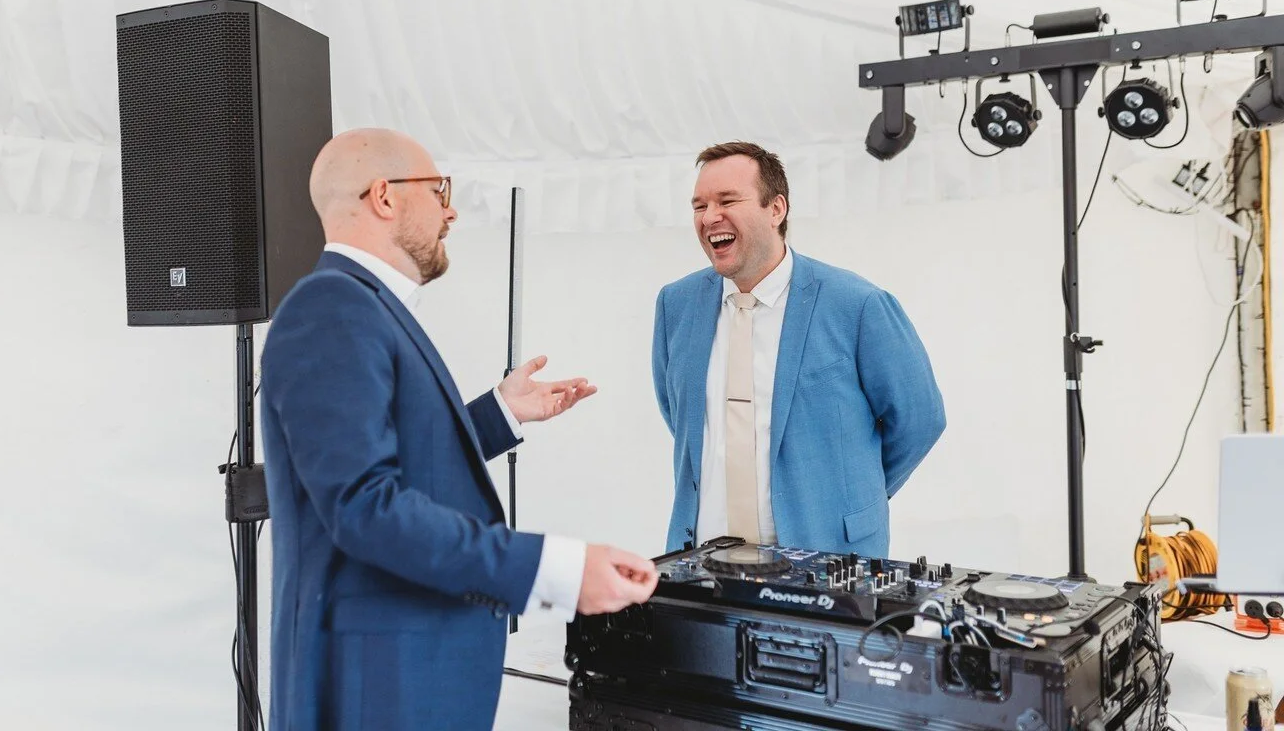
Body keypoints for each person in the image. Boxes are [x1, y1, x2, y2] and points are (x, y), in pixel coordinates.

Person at [260, 128, 658, 730]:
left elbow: (390, 457)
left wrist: (499, 413)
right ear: (384, 197)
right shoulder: (332, 308)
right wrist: (559, 573)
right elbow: (365, 507)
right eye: (439, 190)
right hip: (376, 693)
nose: (451, 210)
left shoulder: (364, 306)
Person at [652, 141, 945, 559]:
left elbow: (919, 420)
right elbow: (680, 415)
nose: (709, 217)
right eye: (699, 206)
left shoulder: (857, 304)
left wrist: (849, 500)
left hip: (827, 561)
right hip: (702, 564)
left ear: (777, 209)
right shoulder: (674, 305)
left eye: (727, 200)